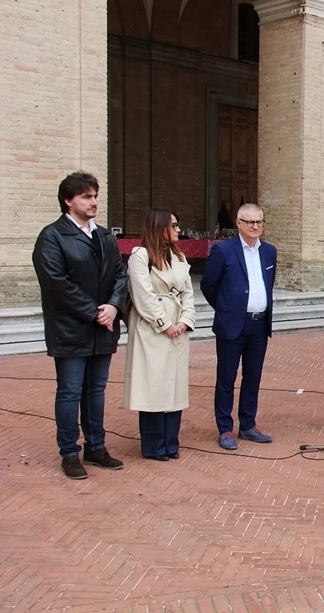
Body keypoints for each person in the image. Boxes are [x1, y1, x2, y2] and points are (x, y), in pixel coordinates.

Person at [32, 171, 129, 479]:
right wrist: (93, 312)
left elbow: (120, 274)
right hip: (71, 327)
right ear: (68, 200)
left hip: (103, 327)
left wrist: (114, 306)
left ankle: (96, 447)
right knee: (71, 390)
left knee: (96, 390)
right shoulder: (52, 236)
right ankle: (69, 453)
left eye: (96, 196)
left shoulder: (103, 235)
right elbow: (55, 283)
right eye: (87, 196)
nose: (94, 202)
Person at [200, 203, 276, 450]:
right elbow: (208, 286)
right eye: (250, 221)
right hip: (233, 323)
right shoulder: (223, 250)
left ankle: (248, 425)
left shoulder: (269, 252)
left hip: (259, 323)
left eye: (260, 222)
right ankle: (225, 428)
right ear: (238, 223)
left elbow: (268, 284)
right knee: (226, 377)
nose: (256, 226)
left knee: (253, 376)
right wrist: (226, 309)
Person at [123, 209, 195, 461]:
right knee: (153, 385)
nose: (178, 230)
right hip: (152, 329)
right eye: (173, 225)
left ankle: (170, 443)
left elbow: (188, 292)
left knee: (175, 385)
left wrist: (185, 321)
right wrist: (164, 324)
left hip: (177, 326)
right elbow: (142, 295)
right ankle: (153, 445)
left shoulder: (179, 256)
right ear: (160, 227)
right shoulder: (140, 256)